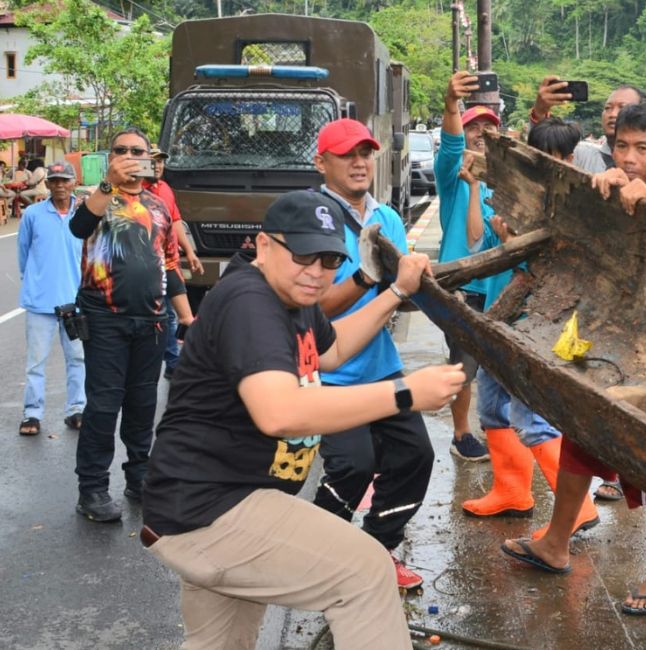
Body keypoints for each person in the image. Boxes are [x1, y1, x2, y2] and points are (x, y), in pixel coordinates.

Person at [141, 190, 466, 649]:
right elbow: (280, 412)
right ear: (264, 244)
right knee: (365, 572)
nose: (315, 272)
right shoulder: (250, 303)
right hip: (214, 508)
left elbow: (330, 352)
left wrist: (394, 291)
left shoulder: (292, 293)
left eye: (329, 259)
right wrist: (406, 393)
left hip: (202, 505)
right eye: (303, 254)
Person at [502, 100, 646, 618]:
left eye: (643, 149)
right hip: (601, 340)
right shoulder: (604, 190)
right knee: (580, 439)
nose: (629, 158)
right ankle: (556, 542)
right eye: (621, 147)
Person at [306, 118, 435, 589]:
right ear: (322, 162)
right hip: (331, 372)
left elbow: (404, 290)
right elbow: (313, 308)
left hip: (381, 365)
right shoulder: (313, 218)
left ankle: (381, 549)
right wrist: (364, 277)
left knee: (416, 455)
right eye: (346, 155)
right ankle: (322, 557)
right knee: (353, 465)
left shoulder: (389, 218)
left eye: (365, 153)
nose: (359, 163)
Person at [458, 116, 601, 536]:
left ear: (570, 159)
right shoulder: (511, 198)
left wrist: (512, 245)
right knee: (491, 407)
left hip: (538, 326)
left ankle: (580, 507)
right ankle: (512, 491)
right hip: (500, 318)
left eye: (556, 159)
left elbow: (560, 271)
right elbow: (481, 246)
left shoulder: (577, 207)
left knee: (531, 415)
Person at [69, 128, 196, 523]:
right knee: (104, 407)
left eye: (136, 151)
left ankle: (139, 477)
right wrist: (108, 183)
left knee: (143, 406)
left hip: (153, 322)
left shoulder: (158, 207)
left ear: (150, 160)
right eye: (120, 150)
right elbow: (79, 228)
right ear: (111, 157)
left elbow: (169, 266)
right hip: (104, 319)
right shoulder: (97, 198)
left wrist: (188, 318)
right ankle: (91, 489)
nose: (128, 156)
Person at [433, 70, 501, 462]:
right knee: (464, 366)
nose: (479, 133)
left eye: (486, 129)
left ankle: (497, 426)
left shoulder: (500, 184)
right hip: (461, 287)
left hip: (495, 289)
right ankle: (462, 434)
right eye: (474, 126)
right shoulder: (451, 179)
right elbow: (451, 142)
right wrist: (451, 105)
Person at [531, 78, 646, 199]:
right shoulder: (581, 153)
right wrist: (539, 112)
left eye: (623, 108)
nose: (613, 114)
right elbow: (542, 153)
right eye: (608, 108)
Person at [17, 161, 85, 436]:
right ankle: (32, 414)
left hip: (75, 301)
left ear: (73, 183)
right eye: (54, 180)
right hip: (40, 302)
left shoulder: (84, 215)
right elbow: (23, 255)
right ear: (47, 184)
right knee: (36, 363)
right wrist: (34, 281)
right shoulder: (33, 214)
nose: (59, 185)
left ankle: (76, 409)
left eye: (64, 180)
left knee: (78, 359)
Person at [143, 146, 203, 381]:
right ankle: (170, 360)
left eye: (161, 162)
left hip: (169, 262)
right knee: (164, 313)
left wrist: (190, 251)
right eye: (153, 161)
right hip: (150, 264)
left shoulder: (165, 188)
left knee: (172, 314)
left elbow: (176, 220)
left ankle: (172, 360)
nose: (158, 165)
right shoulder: (138, 193)